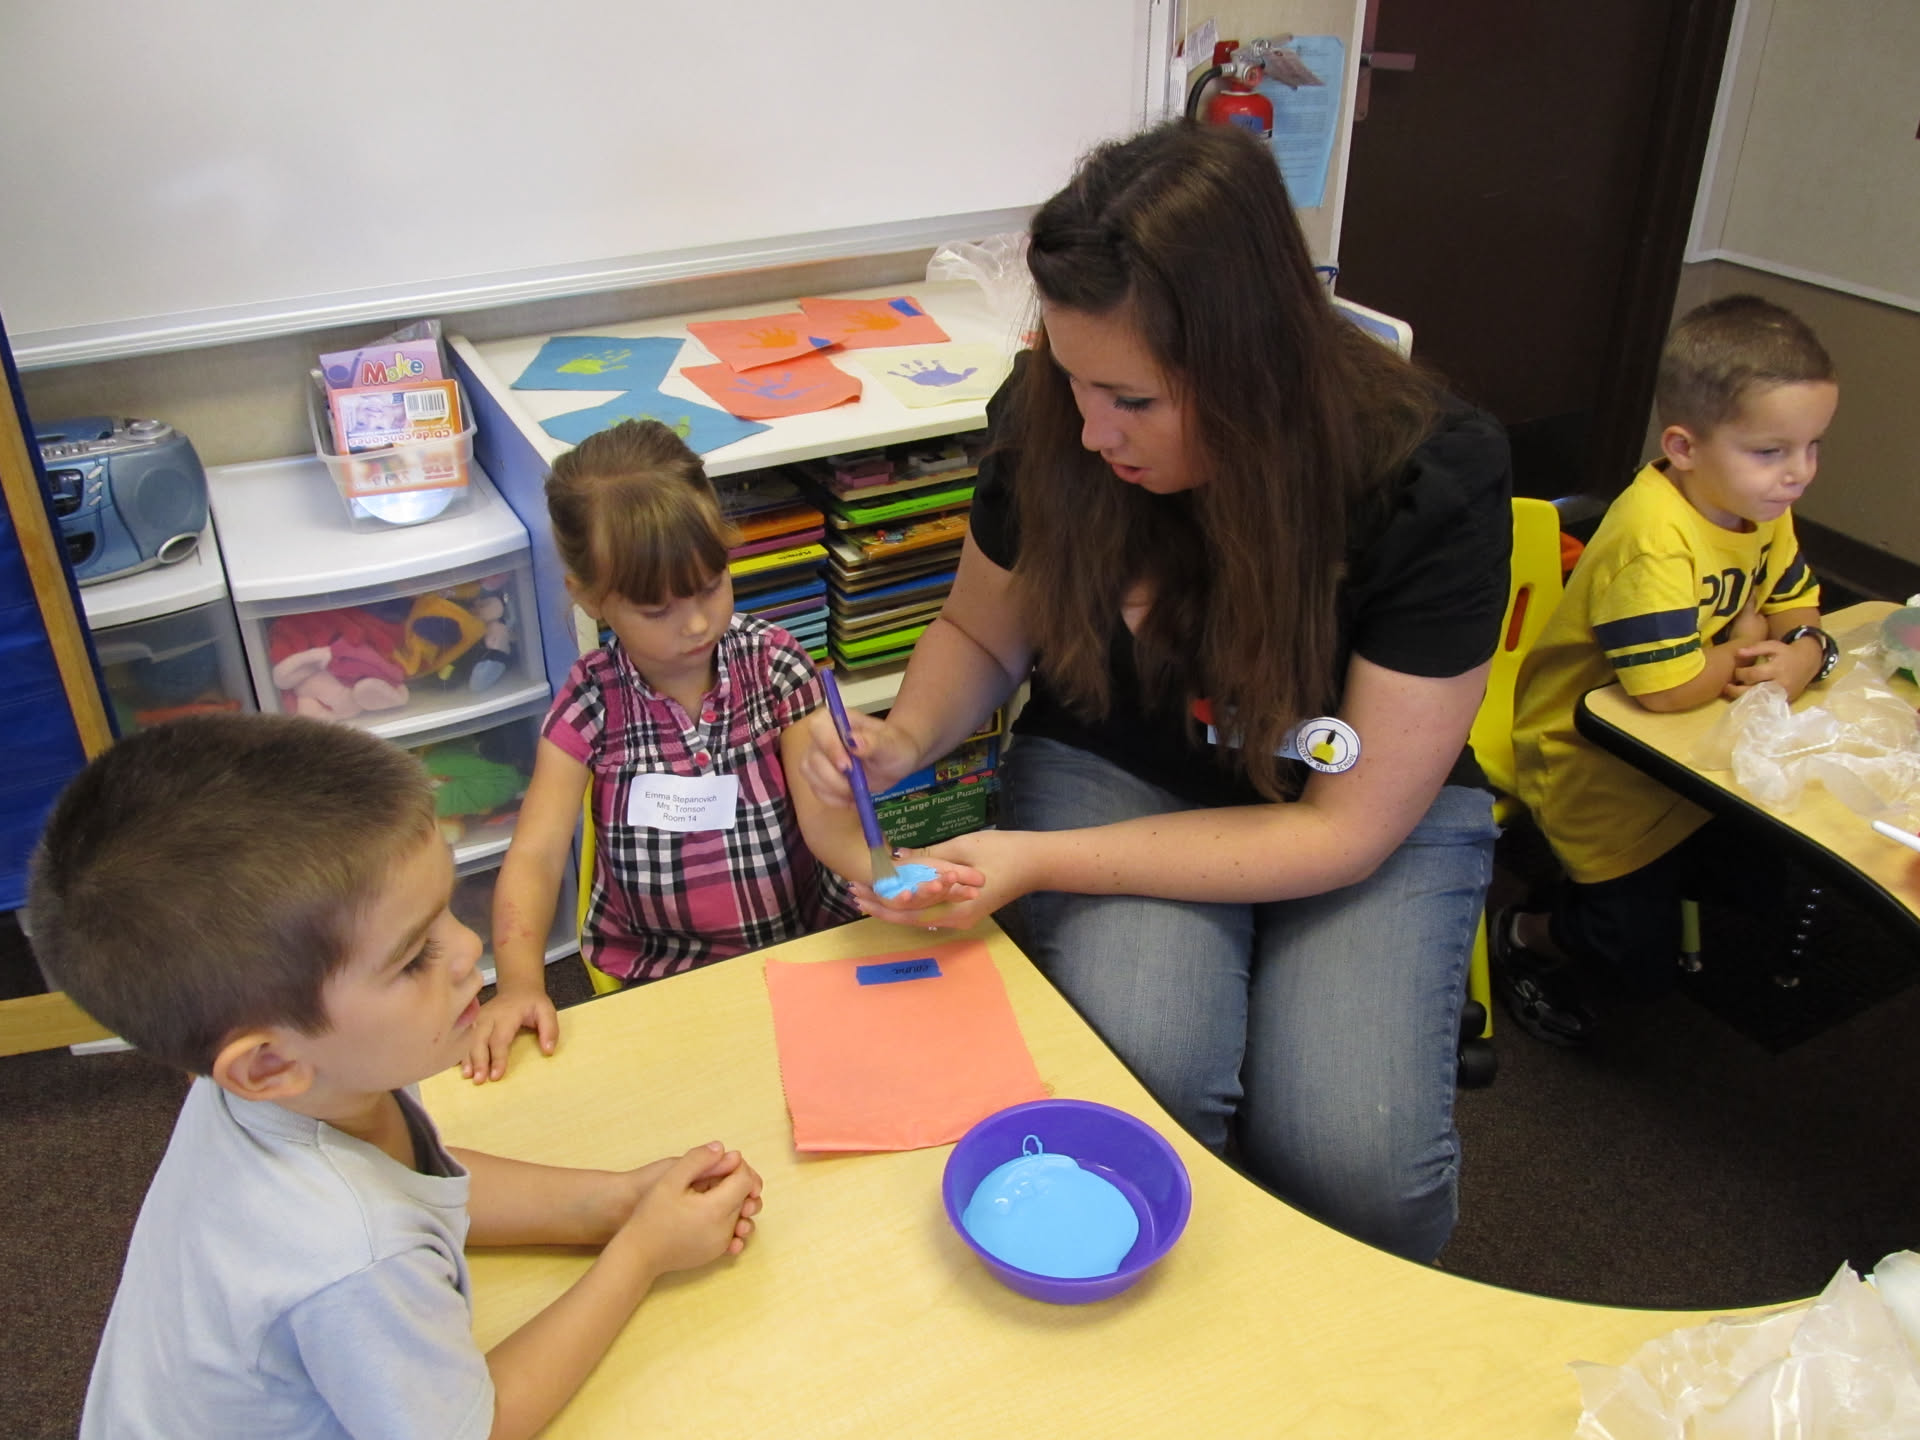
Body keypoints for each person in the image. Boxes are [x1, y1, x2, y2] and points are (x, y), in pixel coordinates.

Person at [789, 120, 1512, 1264]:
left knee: (1357, 1158)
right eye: (1074, 382)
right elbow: (981, 629)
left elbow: (1345, 831)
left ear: (1248, 367)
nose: (1090, 431)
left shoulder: (1428, 472)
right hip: (1120, 764)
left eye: (1130, 400)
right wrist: (904, 737)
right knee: (1147, 1086)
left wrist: (1035, 862)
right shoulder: (1058, 419)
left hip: (1350, 809)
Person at [28, 714, 764, 1440]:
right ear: (268, 1064)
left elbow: (410, 1179)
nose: (467, 946)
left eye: (445, 910)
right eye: (413, 958)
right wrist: (640, 1256)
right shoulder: (351, 1255)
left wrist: (616, 1202)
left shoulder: (310, 1074)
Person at [464, 419, 972, 1082]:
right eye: (657, 610)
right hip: (658, 972)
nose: (698, 622)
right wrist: (519, 984)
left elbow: (829, 830)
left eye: (710, 585)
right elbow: (533, 857)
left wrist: (893, 874)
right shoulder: (591, 701)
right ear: (590, 597)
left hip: (798, 941)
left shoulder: (775, 665)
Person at [1497, 295, 1838, 1045]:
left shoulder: (1757, 504)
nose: (1799, 474)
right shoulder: (1653, 539)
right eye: (1771, 451)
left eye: (1812, 446)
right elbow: (1665, 689)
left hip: (1687, 751)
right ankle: (1525, 931)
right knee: (1635, 967)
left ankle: (1615, 896)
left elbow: (1797, 603)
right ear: (1683, 447)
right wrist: (1754, 645)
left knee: (1760, 877)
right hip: (1591, 766)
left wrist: (1801, 651)